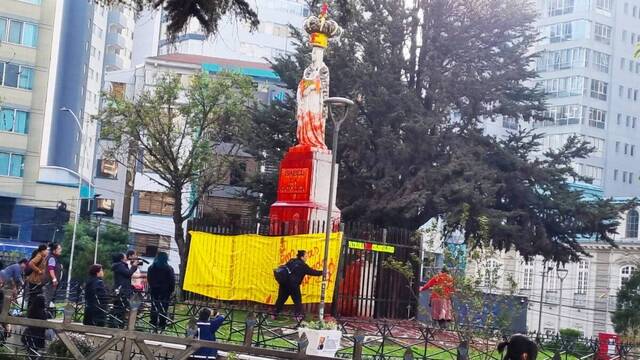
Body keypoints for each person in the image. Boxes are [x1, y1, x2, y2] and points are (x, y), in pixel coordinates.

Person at [274, 250, 323, 320]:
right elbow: (312, 272)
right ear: (302, 257)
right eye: (306, 256)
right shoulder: (303, 265)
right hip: (294, 286)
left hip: (284, 284)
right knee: (297, 301)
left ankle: (274, 314)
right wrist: (322, 272)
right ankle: (297, 316)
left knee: (280, 300)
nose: (307, 258)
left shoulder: (291, 261)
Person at [146, 252, 175, 332]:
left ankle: (153, 324)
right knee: (164, 308)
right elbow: (172, 281)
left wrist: (152, 286)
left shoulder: (151, 268)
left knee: (154, 307)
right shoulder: (169, 269)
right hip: (165, 292)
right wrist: (171, 290)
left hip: (154, 290)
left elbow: (149, 279)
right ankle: (162, 324)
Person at [110, 253, 138, 328]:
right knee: (120, 308)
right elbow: (128, 274)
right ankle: (117, 324)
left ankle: (118, 324)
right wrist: (134, 266)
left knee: (121, 308)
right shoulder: (119, 266)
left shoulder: (121, 265)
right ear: (122, 259)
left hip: (123, 290)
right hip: (122, 290)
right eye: (125, 257)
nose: (127, 258)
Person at [43, 243, 63, 308]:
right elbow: (51, 268)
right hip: (50, 282)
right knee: (47, 297)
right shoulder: (52, 258)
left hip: (50, 282)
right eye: (59, 249)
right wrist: (54, 279)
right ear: (54, 250)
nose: (60, 250)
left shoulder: (54, 258)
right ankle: (43, 312)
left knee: (48, 297)